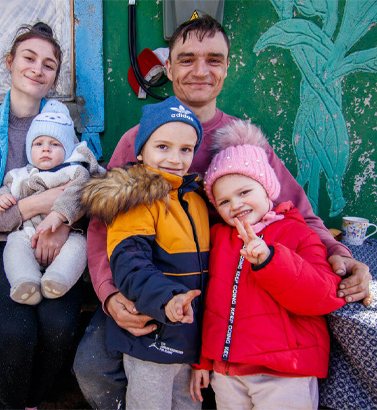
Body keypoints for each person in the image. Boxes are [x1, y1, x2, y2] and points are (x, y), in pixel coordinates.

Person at [73, 14, 371, 409]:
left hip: (227, 286)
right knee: (93, 367)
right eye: (187, 58)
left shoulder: (242, 142)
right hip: (145, 277)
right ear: (170, 67)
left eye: (214, 59)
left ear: (228, 67)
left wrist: (340, 256)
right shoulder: (140, 138)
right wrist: (109, 294)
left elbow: (298, 210)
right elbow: (101, 222)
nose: (200, 70)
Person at [189, 119, 346, 409]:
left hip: (285, 372)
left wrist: (271, 261)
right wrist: (204, 360)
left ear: (267, 188)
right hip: (228, 372)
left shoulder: (297, 232)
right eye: (223, 201)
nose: (235, 205)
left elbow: (324, 296)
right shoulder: (220, 239)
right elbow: (213, 307)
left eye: (244, 192)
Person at [0, 22, 84, 409]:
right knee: (17, 331)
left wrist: (62, 222)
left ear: (54, 79)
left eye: (49, 65)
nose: (38, 69)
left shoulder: (70, 131)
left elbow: (89, 189)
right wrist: (35, 205)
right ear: (10, 63)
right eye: (29, 58)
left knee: (61, 326)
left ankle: (32, 401)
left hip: (58, 240)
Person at [81, 96, 208, 409]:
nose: (175, 159)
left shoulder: (196, 201)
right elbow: (129, 265)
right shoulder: (137, 201)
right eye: (162, 147)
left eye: (186, 149)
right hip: (151, 339)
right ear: (140, 152)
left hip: (188, 339)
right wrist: (168, 299)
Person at [0, 100, 103, 305]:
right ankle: (25, 281)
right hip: (29, 233)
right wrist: (1, 198)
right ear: (29, 148)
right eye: (38, 144)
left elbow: (80, 193)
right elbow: (7, 188)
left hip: (67, 233)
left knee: (78, 247)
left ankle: (58, 279)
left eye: (54, 144)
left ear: (68, 149)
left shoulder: (74, 170)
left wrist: (58, 215)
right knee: (14, 244)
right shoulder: (21, 174)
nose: (45, 149)